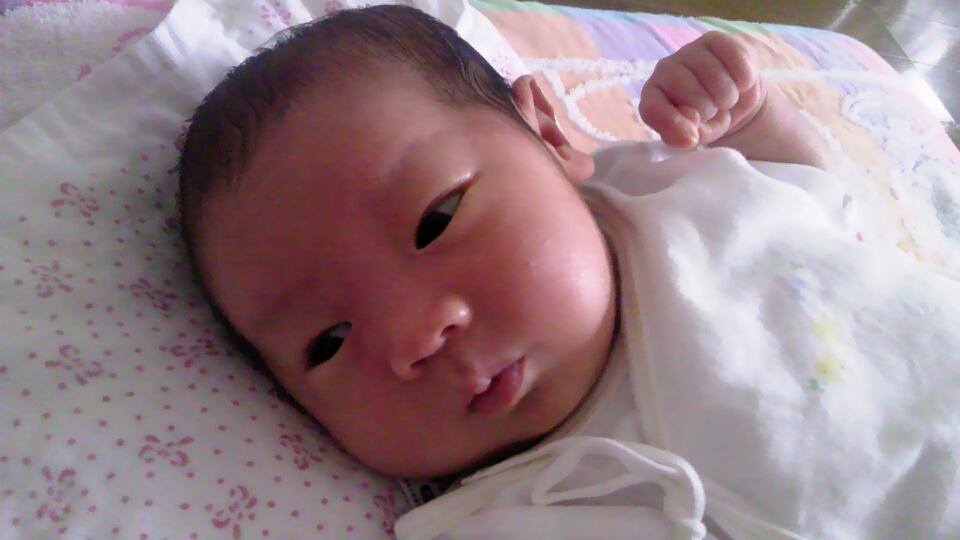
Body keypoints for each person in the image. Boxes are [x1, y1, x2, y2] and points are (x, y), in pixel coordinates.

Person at [176, 4, 960, 539]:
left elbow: (814, 201)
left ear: (550, 134)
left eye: (436, 221)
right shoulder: (494, 520)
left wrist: (755, 120)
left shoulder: (675, 196)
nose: (417, 334)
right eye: (329, 341)